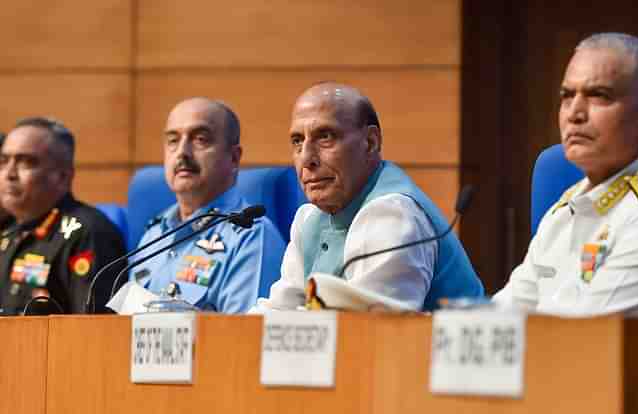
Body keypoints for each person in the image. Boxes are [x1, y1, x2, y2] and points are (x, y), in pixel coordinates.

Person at [253, 82, 484, 312]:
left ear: (371, 142)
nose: (306, 159)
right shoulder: (310, 218)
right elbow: (280, 308)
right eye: (297, 141)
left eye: (325, 137)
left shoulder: (393, 214)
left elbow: (370, 329)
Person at [494, 33, 638, 315]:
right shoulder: (561, 213)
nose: (574, 113)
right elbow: (504, 313)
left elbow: (588, 336)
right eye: (567, 96)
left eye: (599, 95)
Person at [129, 98, 285, 313]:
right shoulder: (154, 234)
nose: (182, 152)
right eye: (173, 140)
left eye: (200, 139)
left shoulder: (250, 236)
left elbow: (245, 339)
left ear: (233, 158)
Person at [0, 117, 126, 315]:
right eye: (4, 161)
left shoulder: (87, 233)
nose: (9, 174)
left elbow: (93, 327)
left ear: (62, 176)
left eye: (26, 162)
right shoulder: (8, 231)